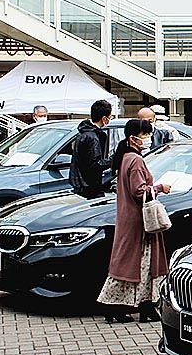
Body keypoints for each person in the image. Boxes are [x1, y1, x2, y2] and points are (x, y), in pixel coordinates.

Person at [97, 119, 172, 323]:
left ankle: (140, 305)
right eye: (145, 134)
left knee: (132, 262)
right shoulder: (136, 160)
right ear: (133, 138)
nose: (147, 138)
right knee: (139, 263)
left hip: (128, 218)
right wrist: (159, 188)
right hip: (139, 221)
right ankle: (122, 306)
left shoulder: (124, 158)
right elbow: (139, 191)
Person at [70, 100, 113, 199]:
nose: (110, 119)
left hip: (83, 186)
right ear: (104, 118)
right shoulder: (92, 137)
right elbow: (95, 164)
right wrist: (114, 159)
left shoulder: (85, 133)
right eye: (110, 117)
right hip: (89, 188)